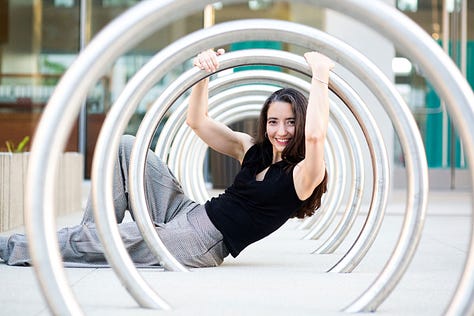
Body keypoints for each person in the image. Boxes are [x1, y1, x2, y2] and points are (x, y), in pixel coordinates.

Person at [0, 49, 333, 268]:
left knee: (98, 241)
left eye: (291, 122)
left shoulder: (304, 176)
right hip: (187, 212)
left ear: (302, 122)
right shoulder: (253, 149)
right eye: (274, 121)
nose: (281, 130)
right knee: (127, 146)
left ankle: (10, 247)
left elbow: (316, 136)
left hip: (198, 242)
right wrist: (203, 75)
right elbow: (197, 122)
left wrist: (320, 74)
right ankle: (90, 240)